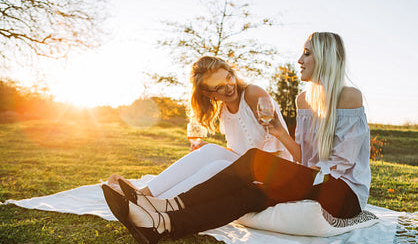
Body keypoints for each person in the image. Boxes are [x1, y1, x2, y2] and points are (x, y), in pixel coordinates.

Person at [102, 32, 371, 244]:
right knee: (250, 194)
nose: (299, 60)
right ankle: (162, 225)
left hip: (344, 194)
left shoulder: (349, 97)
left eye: (307, 53)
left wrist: (289, 174)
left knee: (254, 160)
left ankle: (163, 204)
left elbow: (340, 167)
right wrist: (278, 131)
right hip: (313, 180)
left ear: (325, 57)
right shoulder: (303, 100)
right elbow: (303, 157)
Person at [107, 55, 292, 207]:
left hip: (274, 171)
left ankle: (157, 204)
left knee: (216, 168)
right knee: (210, 151)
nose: (228, 87)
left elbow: (274, 148)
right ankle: (143, 195)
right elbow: (240, 153)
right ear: (208, 93)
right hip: (249, 167)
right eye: (218, 86)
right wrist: (207, 148)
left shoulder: (253, 94)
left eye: (228, 77)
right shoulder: (224, 111)